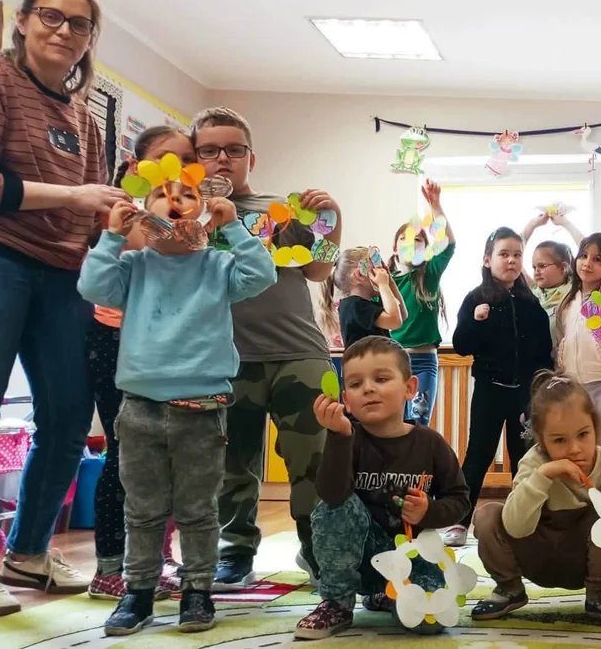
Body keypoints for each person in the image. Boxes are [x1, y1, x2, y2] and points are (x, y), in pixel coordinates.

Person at [0, 0, 126, 615]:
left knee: (70, 417)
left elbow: (96, 208)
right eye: (51, 16)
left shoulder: (83, 116)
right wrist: (72, 198)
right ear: (22, 20)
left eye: (79, 23)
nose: (63, 30)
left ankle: (28, 551)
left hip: (61, 272)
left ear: (89, 38)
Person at [79, 163, 277, 635]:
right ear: (143, 212)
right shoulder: (132, 266)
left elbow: (263, 274)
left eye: (186, 195)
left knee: (198, 509)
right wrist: (111, 237)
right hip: (139, 408)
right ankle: (139, 593)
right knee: (142, 509)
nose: (174, 201)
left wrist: (233, 226)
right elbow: (92, 287)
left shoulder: (219, 265)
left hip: (202, 409)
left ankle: (197, 591)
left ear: (203, 210)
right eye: (162, 196)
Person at [193, 107, 342, 590]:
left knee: (312, 459)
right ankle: (234, 553)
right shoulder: (181, 213)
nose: (222, 160)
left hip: (299, 353)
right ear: (194, 159)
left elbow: (320, 271)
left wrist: (332, 220)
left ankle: (316, 547)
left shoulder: (281, 210)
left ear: (250, 158)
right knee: (230, 463)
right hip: (225, 358)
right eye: (209, 150)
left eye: (234, 150)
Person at [294, 337, 470, 640]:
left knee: (429, 623)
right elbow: (332, 496)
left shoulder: (430, 444)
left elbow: (460, 500)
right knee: (335, 507)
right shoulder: (347, 439)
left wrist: (430, 511)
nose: (368, 389)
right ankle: (336, 602)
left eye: (381, 378)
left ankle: (386, 595)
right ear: (346, 399)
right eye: (355, 383)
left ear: (410, 388)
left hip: (411, 557)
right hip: (357, 558)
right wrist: (338, 437)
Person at [86, 126, 192, 600]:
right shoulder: (128, 216)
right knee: (124, 454)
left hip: (168, 345)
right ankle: (110, 565)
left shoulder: (187, 212)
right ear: (136, 167)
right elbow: (149, 245)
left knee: (167, 456)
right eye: (166, 160)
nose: (176, 169)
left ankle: (157, 554)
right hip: (117, 338)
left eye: (187, 161)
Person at [472, 371, 601, 625]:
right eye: (559, 440)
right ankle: (509, 589)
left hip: (587, 564)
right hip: (537, 558)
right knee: (487, 515)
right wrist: (544, 475)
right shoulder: (533, 464)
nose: (574, 449)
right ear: (541, 440)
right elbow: (514, 526)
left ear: (595, 426)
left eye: (583, 434)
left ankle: (600, 596)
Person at [448, 227, 554, 547]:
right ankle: (459, 522)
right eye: (504, 254)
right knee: (477, 455)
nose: (511, 260)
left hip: (524, 394)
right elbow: (461, 345)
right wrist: (475, 321)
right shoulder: (476, 298)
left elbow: (542, 348)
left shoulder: (529, 301)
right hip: (490, 391)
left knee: (523, 455)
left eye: (517, 255)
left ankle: (523, 520)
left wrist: (542, 386)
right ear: (487, 259)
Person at [389, 179, 455, 427]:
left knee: (418, 421)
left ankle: (414, 466)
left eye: (418, 240)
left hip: (424, 360)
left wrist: (435, 206)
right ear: (395, 248)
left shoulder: (428, 275)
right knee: (393, 419)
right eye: (406, 240)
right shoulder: (387, 280)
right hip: (394, 360)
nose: (412, 244)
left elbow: (449, 244)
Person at [554, 233, 601, 452]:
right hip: (573, 383)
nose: (587, 263)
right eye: (584, 255)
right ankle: (580, 487)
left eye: (597, 259)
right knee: (577, 447)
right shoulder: (569, 300)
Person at [319, 247, 407, 350]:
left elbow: (402, 315)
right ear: (360, 275)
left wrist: (390, 282)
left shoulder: (364, 304)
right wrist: (383, 285)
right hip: (367, 365)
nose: (383, 273)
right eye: (376, 269)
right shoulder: (354, 306)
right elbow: (395, 321)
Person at [522, 208, 584, 342]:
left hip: (568, 358)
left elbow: (589, 249)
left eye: (542, 266)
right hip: (543, 359)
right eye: (534, 267)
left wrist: (565, 223)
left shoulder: (575, 289)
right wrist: (532, 225)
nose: (536, 271)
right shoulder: (534, 291)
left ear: (563, 268)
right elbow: (515, 254)